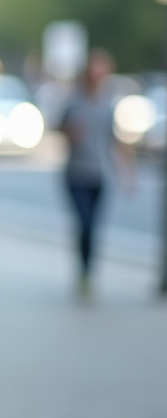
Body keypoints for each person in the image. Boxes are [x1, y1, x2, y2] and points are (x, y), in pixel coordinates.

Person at [59, 50, 134, 298]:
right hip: (77, 173)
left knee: (94, 226)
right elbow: (59, 127)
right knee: (84, 223)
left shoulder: (108, 103)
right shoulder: (74, 101)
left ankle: (88, 272)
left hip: (100, 174)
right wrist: (71, 132)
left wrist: (128, 172)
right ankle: (84, 270)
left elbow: (116, 139)